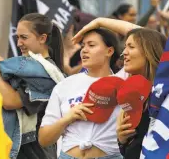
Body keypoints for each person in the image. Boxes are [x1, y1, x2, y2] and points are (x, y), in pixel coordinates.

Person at [72, 17, 166, 159]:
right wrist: (122, 140)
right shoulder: (127, 89)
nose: (124, 53)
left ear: (149, 50)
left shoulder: (168, 89)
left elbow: (147, 35)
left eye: (131, 47)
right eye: (125, 47)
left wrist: (100, 22)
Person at [0, 13, 65, 159]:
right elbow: (7, 66)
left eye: (24, 37)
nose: (19, 43)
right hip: (16, 149)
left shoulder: (48, 74)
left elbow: (9, 101)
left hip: (34, 152)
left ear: (42, 38)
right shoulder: (26, 67)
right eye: (17, 37)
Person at [39, 28, 128, 159]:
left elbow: (146, 38)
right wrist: (67, 119)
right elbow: (44, 139)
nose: (84, 50)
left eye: (91, 45)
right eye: (83, 46)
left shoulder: (123, 84)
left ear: (109, 51)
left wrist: (99, 22)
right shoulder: (65, 85)